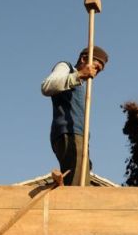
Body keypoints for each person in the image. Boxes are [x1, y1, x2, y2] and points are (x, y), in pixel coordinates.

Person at [41, 46, 108, 186]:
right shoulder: (66, 67)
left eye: (99, 71)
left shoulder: (83, 87)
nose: (96, 73)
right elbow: (47, 86)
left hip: (79, 136)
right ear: (84, 59)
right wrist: (78, 75)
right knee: (78, 186)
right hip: (70, 132)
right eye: (95, 67)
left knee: (82, 181)